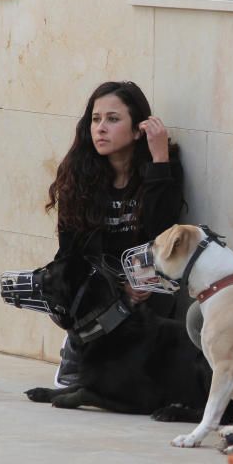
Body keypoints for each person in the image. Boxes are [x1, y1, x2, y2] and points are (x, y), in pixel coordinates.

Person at [44, 81, 184, 390]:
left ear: (138, 130)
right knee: (65, 274)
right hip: (97, 278)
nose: (101, 129)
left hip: (147, 275)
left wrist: (160, 160)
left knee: (161, 286)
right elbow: (69, 250)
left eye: (113, 119)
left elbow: (165, 233)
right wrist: (116, 284)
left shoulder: (161, 166)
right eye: (95, 119)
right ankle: (78, 346)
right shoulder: (77, 173)